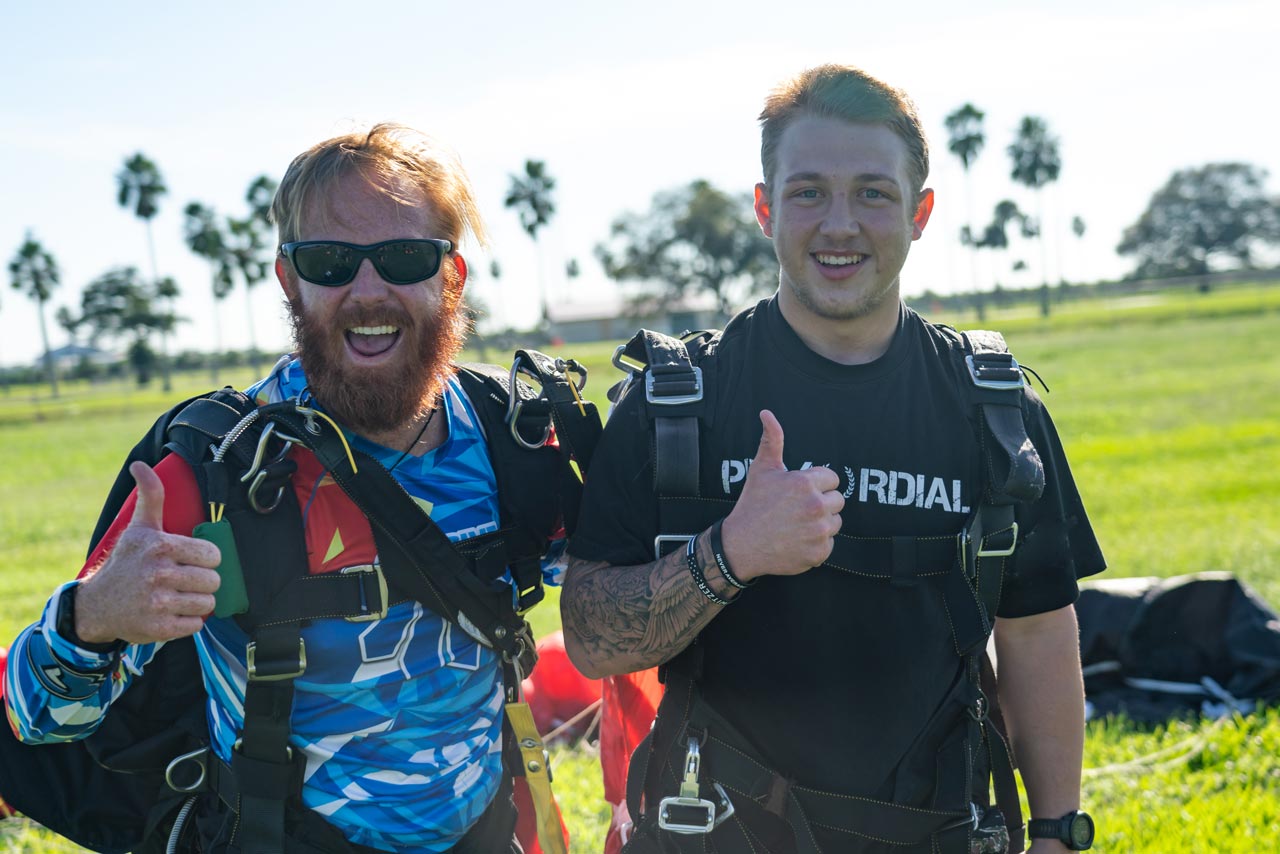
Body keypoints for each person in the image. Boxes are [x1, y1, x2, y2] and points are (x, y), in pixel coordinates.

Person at [561, 64, 1105, 854]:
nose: (840, 224)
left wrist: (1057, 831)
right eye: (808, 191)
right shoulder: (678, 403)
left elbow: (1038, 636)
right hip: (719, 833)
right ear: (764, 207)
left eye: (873, 193)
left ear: (919, 213)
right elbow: (588, 636)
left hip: (940, 831)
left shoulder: (994, 410)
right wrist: (731, 554)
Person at [4, 123, 575, 854]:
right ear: (288, 279)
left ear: (451, 276)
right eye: (331, 262)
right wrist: (92, 619)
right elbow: (37, 717)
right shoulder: (215, 474)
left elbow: (609, 600)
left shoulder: (517, 440)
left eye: (403, 258)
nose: (368, 292)